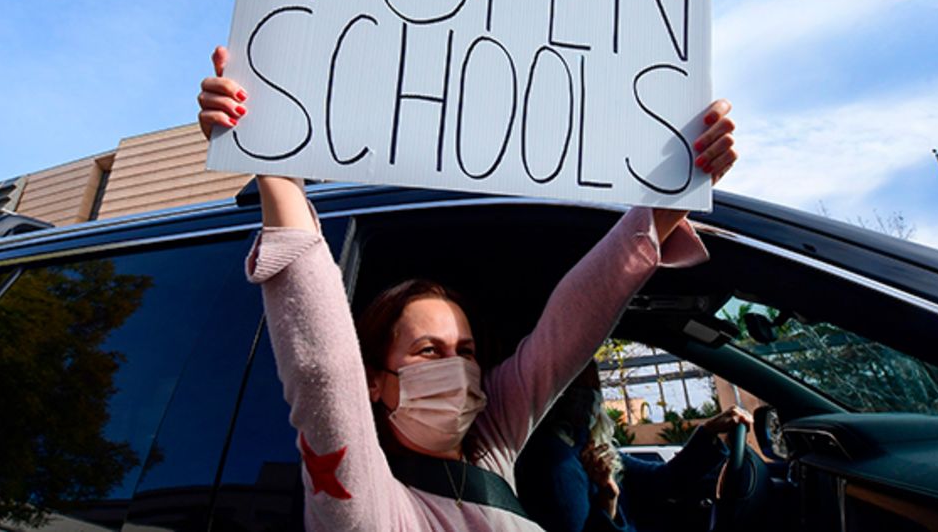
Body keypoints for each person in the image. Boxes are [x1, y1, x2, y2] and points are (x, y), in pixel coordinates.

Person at [197, 46, 739, 531]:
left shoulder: (493, 452)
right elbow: (322, 368)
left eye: (467, 351)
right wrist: (273, 164)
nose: (455, 369)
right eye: (427, 350)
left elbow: (570, 325)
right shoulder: (368, 507)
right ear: (373, 384)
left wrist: (668, 199)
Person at [515, 361, 752, 532]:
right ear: (555, 392)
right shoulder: (556, 461)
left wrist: (708, 432)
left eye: (595, 384)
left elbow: (663, 480)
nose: (593, 393)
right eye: (581, 385)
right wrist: (609, 500)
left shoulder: (589, 446)